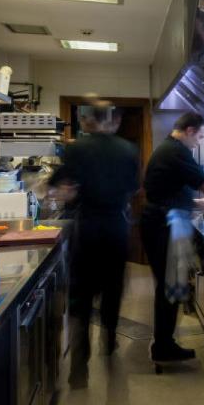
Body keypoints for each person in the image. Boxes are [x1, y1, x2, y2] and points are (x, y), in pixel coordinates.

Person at [49, 103, 139, 388]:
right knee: (112, 289)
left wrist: (70, 192)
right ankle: (110, 342)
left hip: (86, 227)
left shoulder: (76, 149)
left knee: (81, 295)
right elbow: (134, 188)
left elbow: (60, 187)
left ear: (89, 121)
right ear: (111, 120)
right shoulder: (128, 149)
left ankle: (79, 364)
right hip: (116, 227)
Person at [141, 112, 204, 362]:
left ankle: (164, 343)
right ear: (188, 131)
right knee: (169, 286)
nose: (198, 142)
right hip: (164, 225)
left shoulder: (169, 149)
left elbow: (178, 187)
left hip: (162, 221)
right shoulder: (176, 151)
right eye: (199, 137)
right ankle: (163, 347)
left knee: (170, 285)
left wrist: (193, 203)